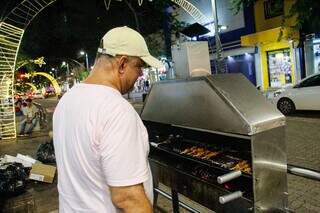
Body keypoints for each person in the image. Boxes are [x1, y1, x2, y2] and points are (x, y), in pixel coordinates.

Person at [53, 26, 163, 213]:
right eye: (139, 66)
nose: (140, 75)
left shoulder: (67, 100)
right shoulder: (117, 111)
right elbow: (128, 198)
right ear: (122, 64)